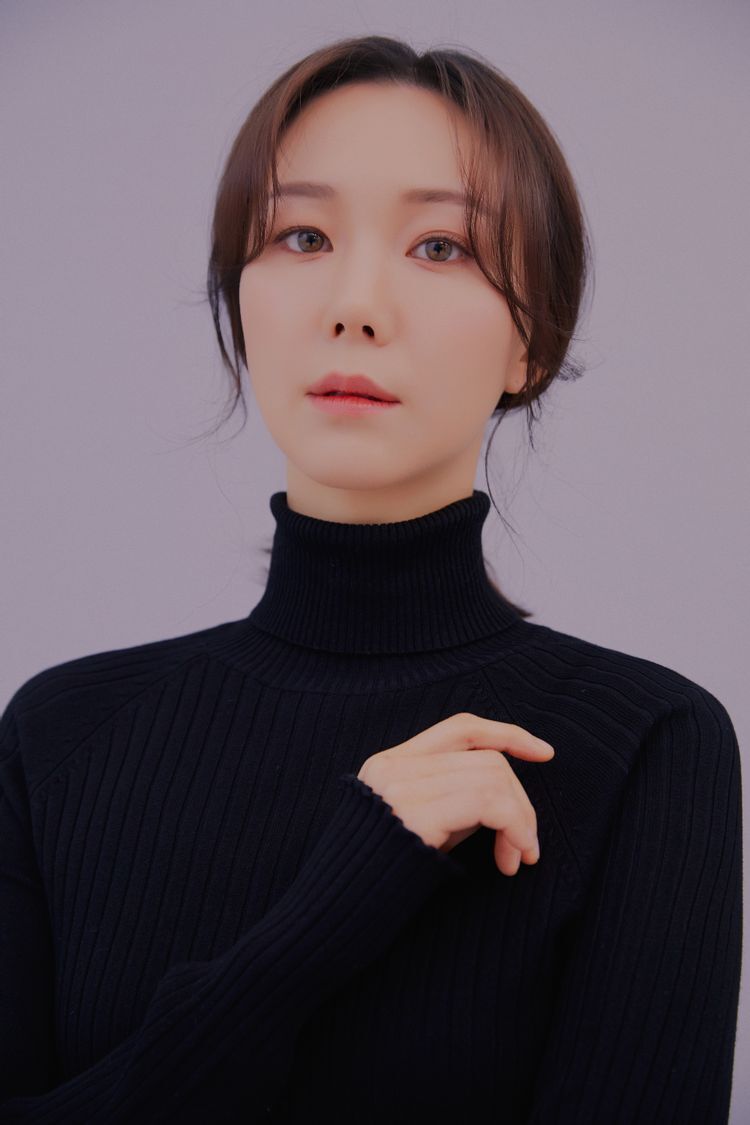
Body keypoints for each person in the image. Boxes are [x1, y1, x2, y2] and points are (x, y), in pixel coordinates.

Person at [0, 33, 741, 1125]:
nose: (355, 305)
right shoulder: (58, 734)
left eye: (441, 246)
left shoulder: (644, 746)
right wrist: (338, 901)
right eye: (301, 236)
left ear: (531, 342)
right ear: (239, 302)